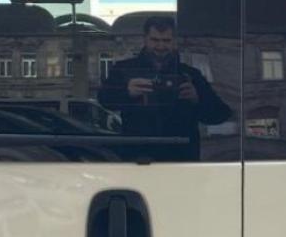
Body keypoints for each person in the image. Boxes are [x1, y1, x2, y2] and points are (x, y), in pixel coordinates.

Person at [98, 15, 232, 161]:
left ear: (174, 41)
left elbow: (221, 114)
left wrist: (197, 99)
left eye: (166, 40)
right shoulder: (124, 70)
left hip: (181, 159)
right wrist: (126, 93)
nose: (160, 46)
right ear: (145, 39)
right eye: (155, 40)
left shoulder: (190, 75)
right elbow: (104, 101)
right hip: (138, 159)